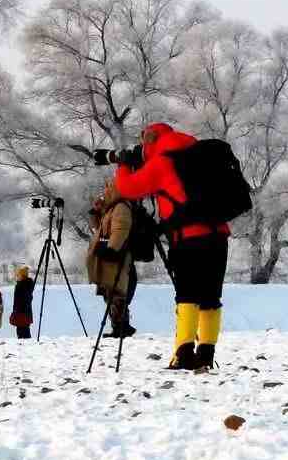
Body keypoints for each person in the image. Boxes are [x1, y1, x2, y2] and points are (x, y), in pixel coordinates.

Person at [115, 122, 231, 370]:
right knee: (211, 297)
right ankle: (206, 354)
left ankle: (184, 353)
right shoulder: (200, 155)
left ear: (151, 139)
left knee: (188, 295)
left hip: (188, 239)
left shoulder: (163, 162)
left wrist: (123, 164)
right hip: (219, 235)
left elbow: (127, 188)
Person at [86, 180, 137, 340]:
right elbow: (98, 228)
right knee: (109, 292)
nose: (105, 191)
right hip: (108, 257)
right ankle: (118, 326)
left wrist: (112, 249)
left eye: (108, 187)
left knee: (117, 291)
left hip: (116, 257)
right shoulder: (110, 209)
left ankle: (121, 326)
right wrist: (96, 211)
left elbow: (120, 229)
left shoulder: (121, 208)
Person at [10, 267, 34, 339]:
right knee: (23, 330)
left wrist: (16, 310)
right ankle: (25, 345)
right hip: (24, 312)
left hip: (22, 312)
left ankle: (25, 346)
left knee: (22, 332)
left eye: (18, 275)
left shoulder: (22, 286)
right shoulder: (25, 284)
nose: (17, 276)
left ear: (22, 276)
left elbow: (21, 300)